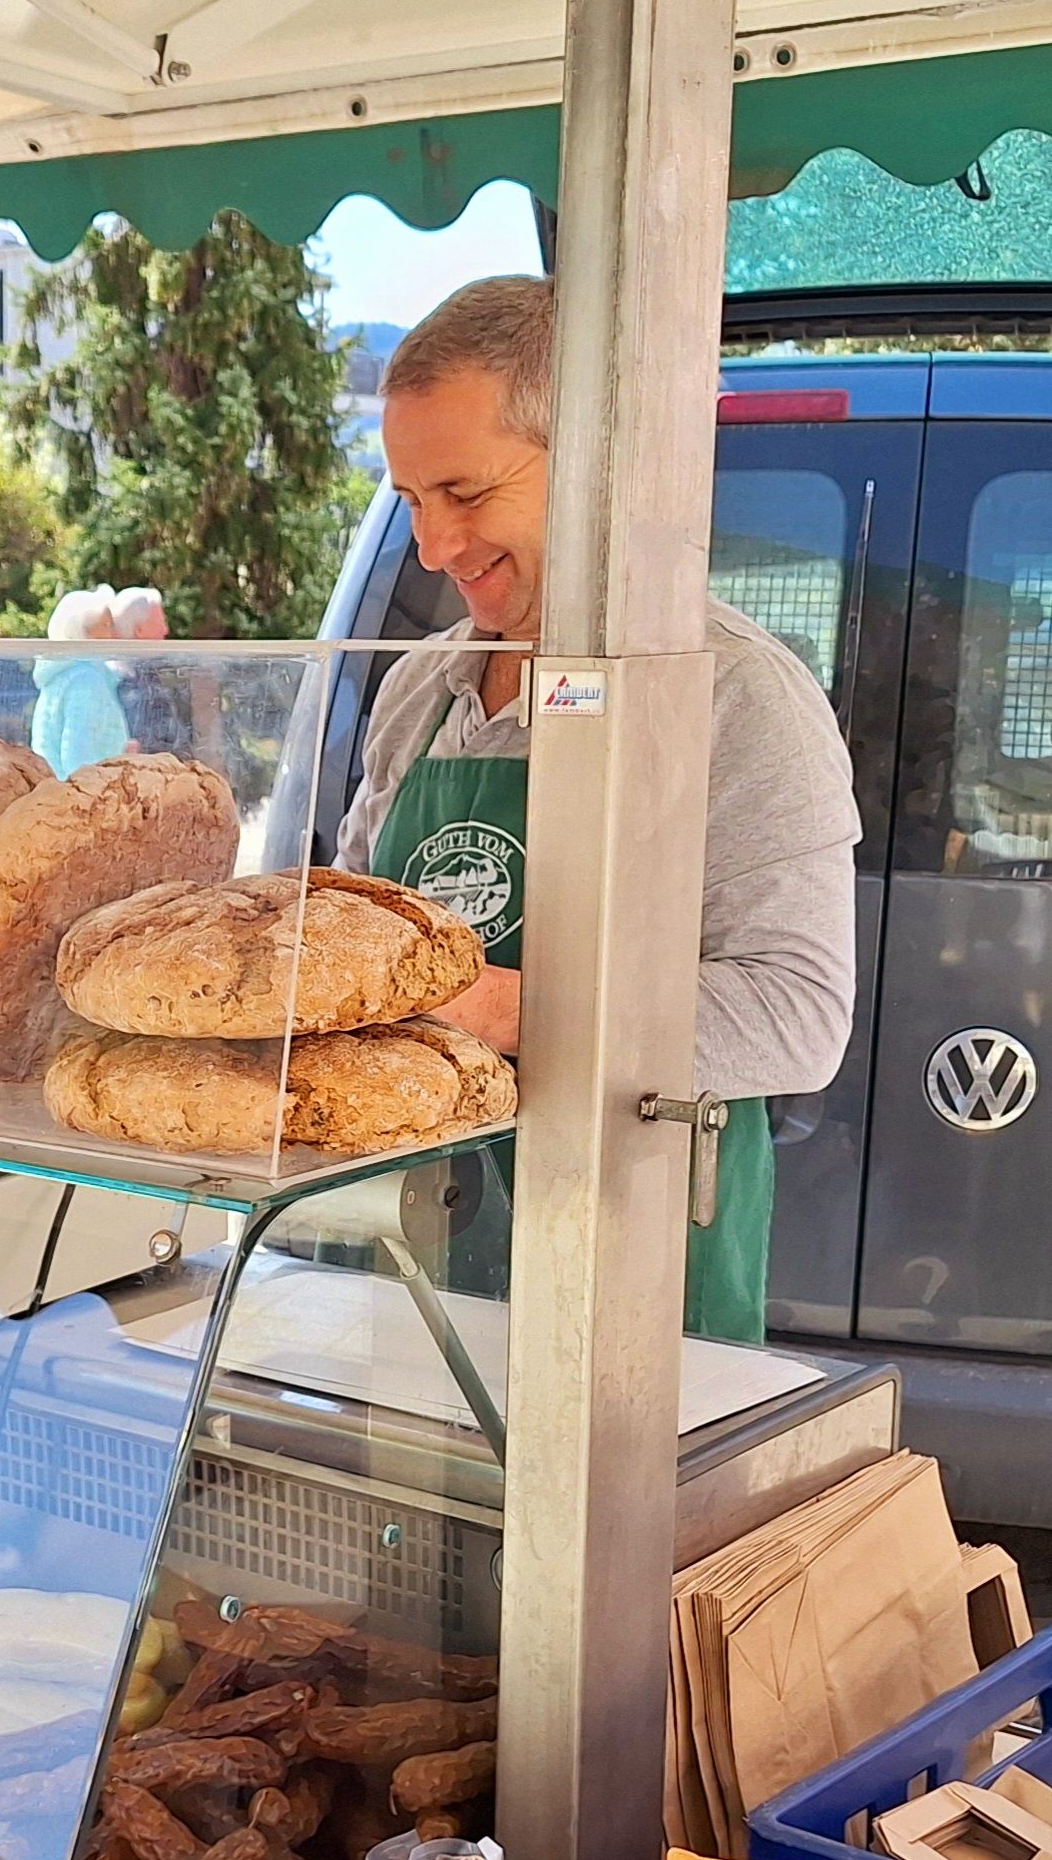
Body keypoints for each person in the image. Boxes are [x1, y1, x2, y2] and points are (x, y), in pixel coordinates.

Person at [339, 275, 860, 1342]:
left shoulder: (731, 693)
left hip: (629, 1295)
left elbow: (796, 1015)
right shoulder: (415, 691)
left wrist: (495, 1009)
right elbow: (352, 934)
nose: (435, 548)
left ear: (588, 459)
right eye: (409, 504)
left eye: (466, 494)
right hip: (406, 1268)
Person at [28, 584, 168, 770]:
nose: (114, 633)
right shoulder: (85, 681)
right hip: (89, 792)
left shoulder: (65, 676)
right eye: (106, 625)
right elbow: (78, 755)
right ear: (84, 632)